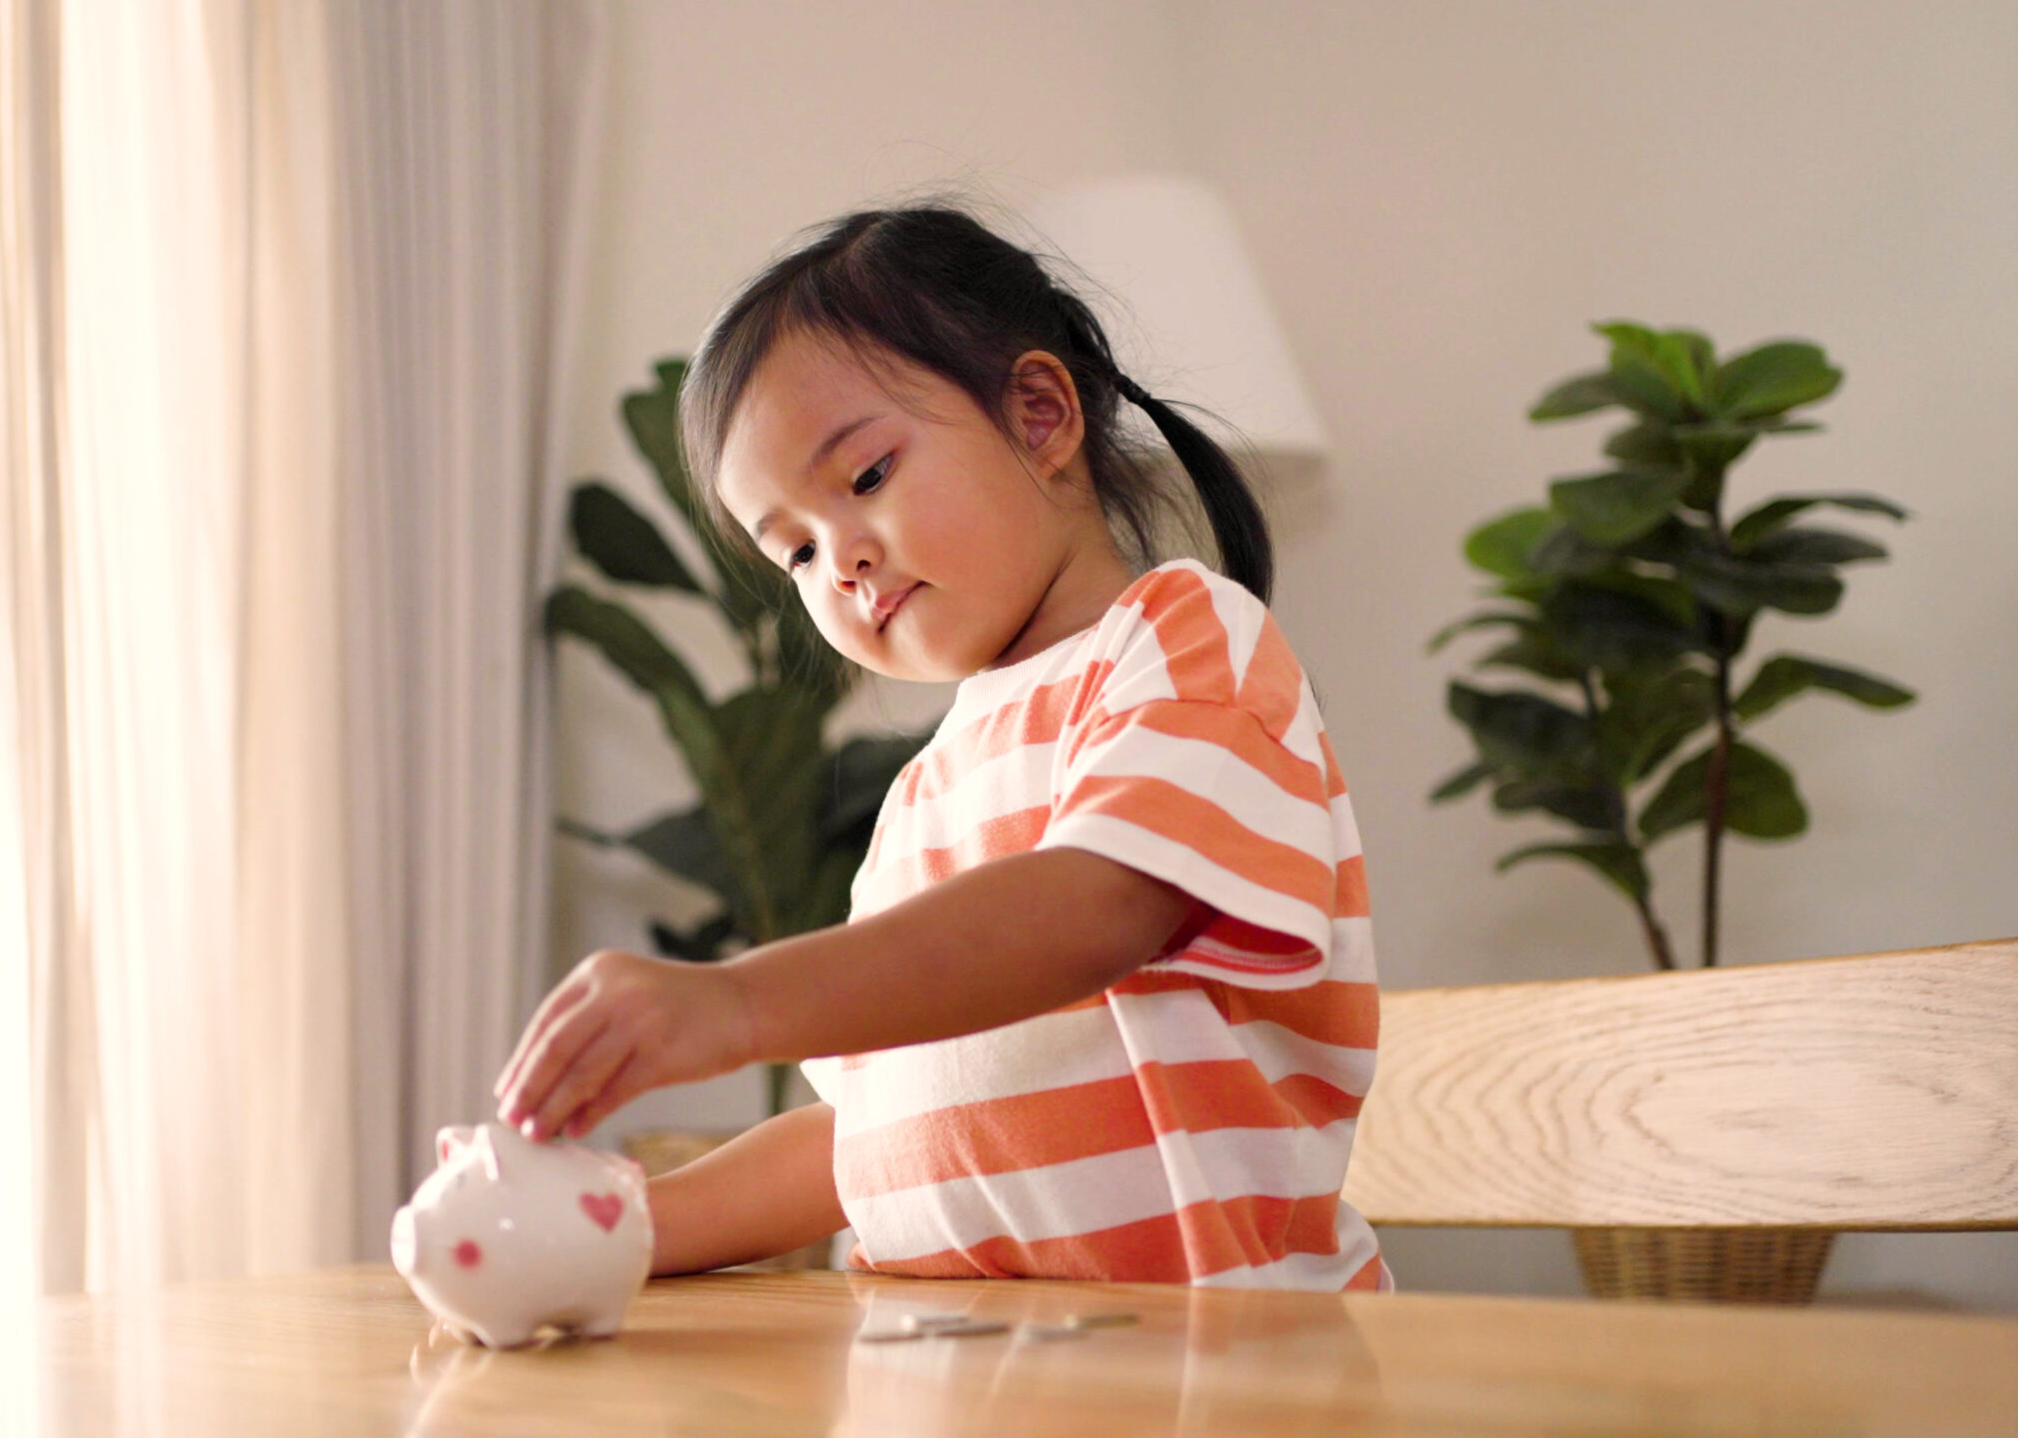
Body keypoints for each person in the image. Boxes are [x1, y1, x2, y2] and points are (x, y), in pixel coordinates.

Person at [495, 199, 1388, 1291]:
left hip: (1220, 1369)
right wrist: (619, 1227)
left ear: (1041, 415)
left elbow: (1096, 907)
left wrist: (736, 1003)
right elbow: (871, 1131)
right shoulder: (926, 792)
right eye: (796, 554)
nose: (842, 564)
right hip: (957, 1373)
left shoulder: (1184, 642)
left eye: (866, 478)